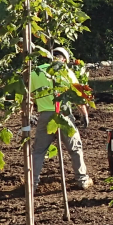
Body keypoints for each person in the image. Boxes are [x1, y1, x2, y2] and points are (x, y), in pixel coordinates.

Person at [30, 47, 93, 191]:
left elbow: (30, 97)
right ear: (63, 59)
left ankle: (32, 184)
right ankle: (82, 180)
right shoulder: (66, 72)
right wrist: (84, 114)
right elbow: (78, 95)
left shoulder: (35, 72)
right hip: (64, 115)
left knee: (38, 151)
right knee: (75, 148)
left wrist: (30, 113)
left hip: (45, 116)